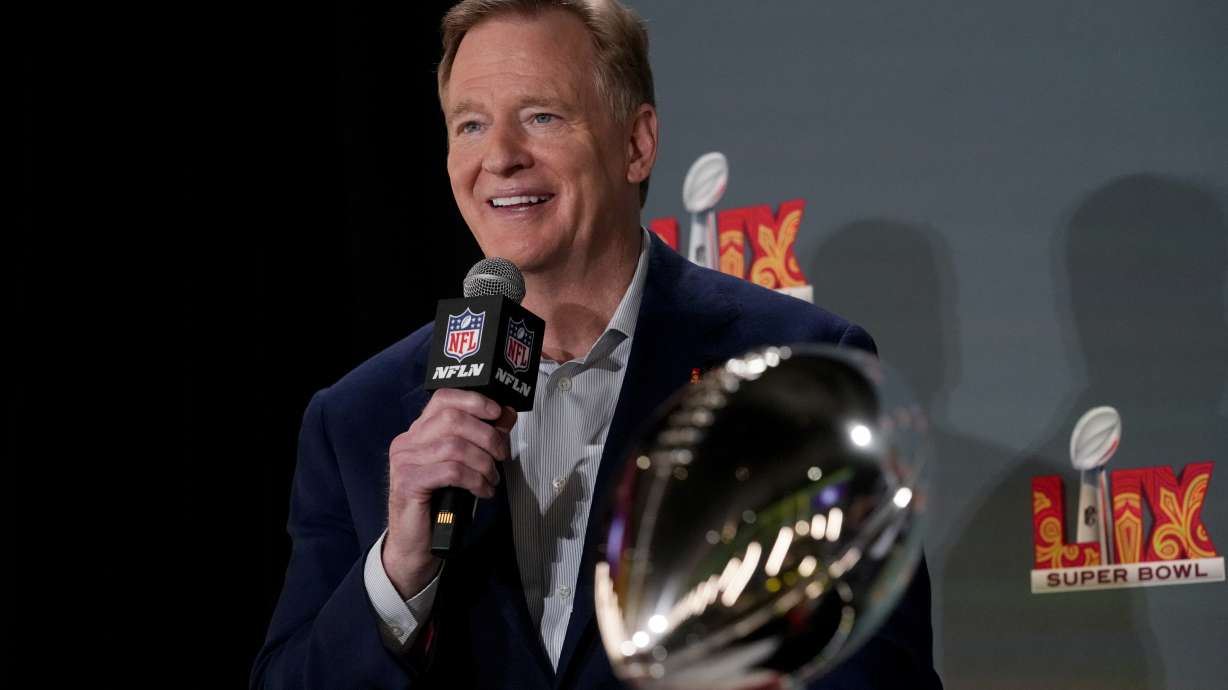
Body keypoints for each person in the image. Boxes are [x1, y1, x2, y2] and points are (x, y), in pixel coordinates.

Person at [252, 1, 942, 688]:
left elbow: (877, 675)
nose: (500, 157)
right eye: (471, 125)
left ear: (636, 145)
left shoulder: (794, 369)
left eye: (541, 116)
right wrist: (398, 573)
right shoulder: (358, 419)